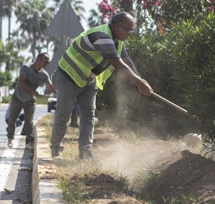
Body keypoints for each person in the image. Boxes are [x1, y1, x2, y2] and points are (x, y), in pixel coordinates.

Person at [49, 11, 152, 160]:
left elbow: (127, 60)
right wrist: (138, 83)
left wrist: (140, 80)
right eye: (128, 29)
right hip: (67, 75)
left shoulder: (118, 40)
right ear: (117, 26)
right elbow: (119, 66)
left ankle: (85, 153)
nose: (130, 33)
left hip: (88, 79)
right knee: (63, 114)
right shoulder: (102, 37)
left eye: (132, 30)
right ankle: (56, 150)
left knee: (88, 116)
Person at [6, 52, 56, 149]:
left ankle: (29, 142)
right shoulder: (26, 68)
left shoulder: (44, 75)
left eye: (47, 63)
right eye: (44, 62)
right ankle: (10, 138)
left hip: (30, 100)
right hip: (18, 96)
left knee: (29, 121)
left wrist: (59, 92)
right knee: (12, 119)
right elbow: (21, 82)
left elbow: (50, 87)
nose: (45, 64)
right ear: (39, 59)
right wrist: (34, 92)